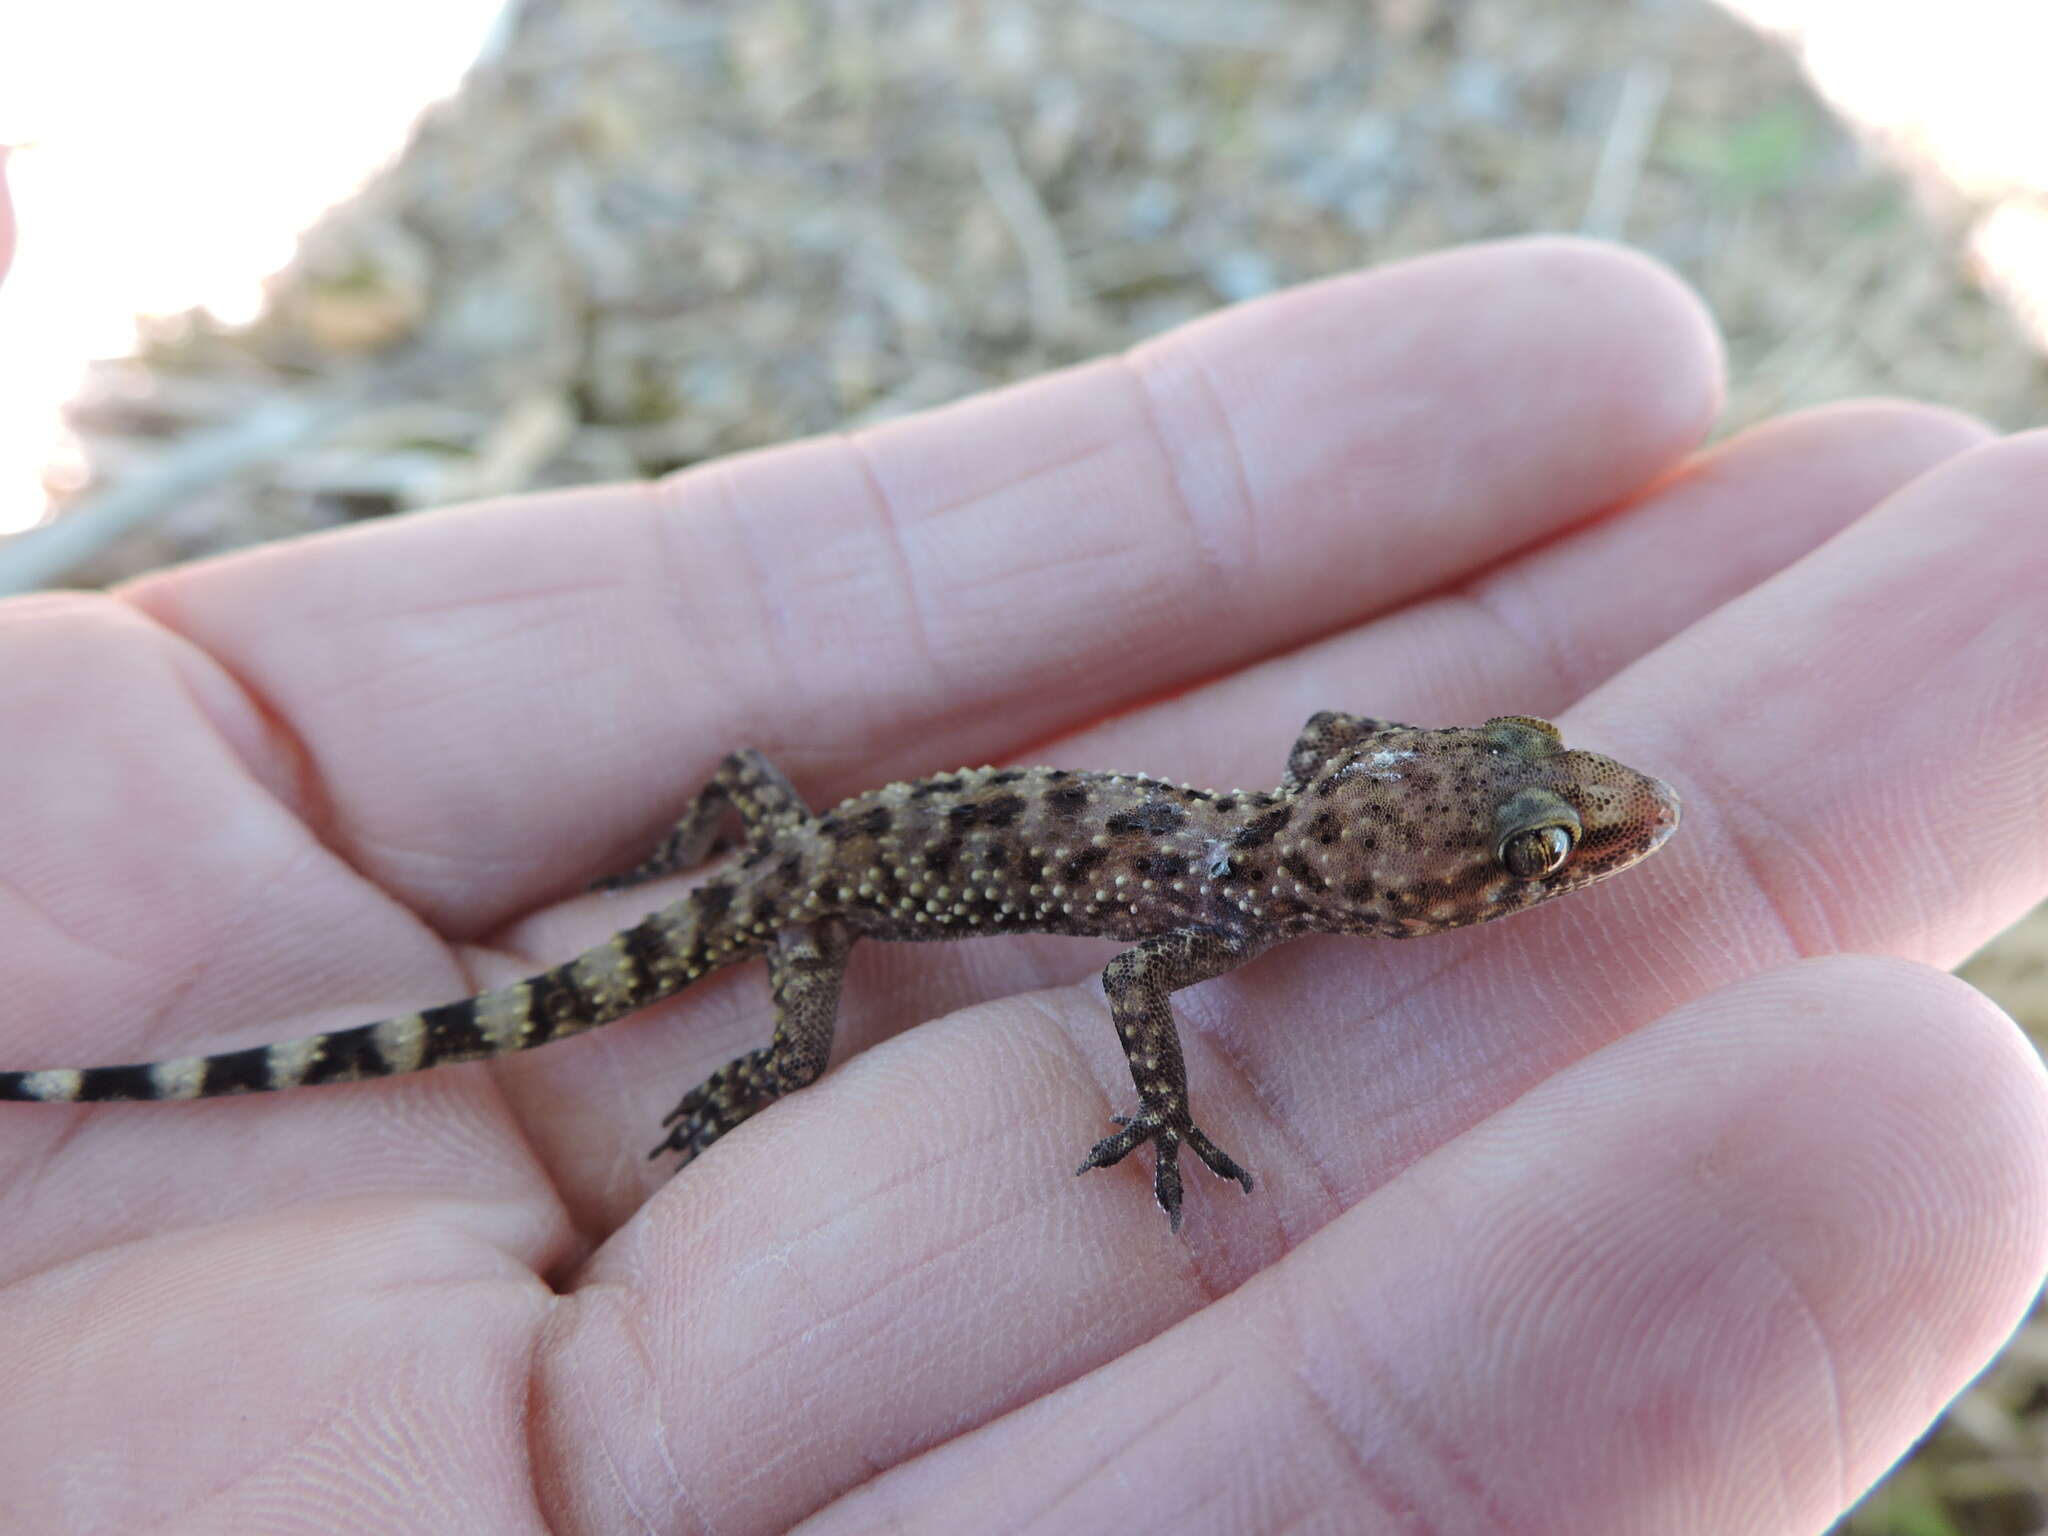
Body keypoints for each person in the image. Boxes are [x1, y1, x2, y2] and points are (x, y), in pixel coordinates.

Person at [0, 146, 2043, 1533]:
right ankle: (675, 1051)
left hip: (818, 840)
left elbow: (1322, 761)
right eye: (1537, 840)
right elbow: (1144, 977)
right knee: (783, 1041)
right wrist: (1144, 1109)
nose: (1594, 837)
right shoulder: (1221, 908)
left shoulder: (1276, 839)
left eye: (1541, 835)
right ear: (1414, 883)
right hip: (810, 900)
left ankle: (616, 906)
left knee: (755, 833)